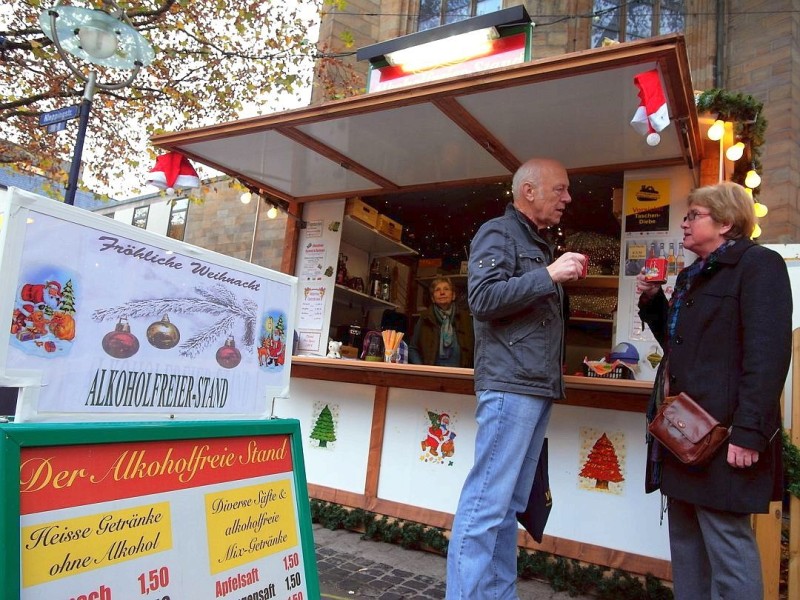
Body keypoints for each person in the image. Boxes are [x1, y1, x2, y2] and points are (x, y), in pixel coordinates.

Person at [636, 181, 791, 600]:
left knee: (727, 547)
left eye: (693, 216)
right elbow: (683, 349)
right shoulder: (692, 275)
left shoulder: (759, 265)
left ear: (724, 222)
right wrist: (654, 303)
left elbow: (768, 355)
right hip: (684, 433)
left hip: (724, 436)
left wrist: (749, 433)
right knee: (686, 544)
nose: (684, 225)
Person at [445, 157, 586, 599]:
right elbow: (482, 298)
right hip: (510, 386)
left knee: (506, 506)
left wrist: (549, 272)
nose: (568, 198)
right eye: (559, 189)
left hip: (531, 386)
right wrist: (549, 275)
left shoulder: (535, 242)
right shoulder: (499, 232)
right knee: (487, 504)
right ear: (529, 191)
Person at [408, 277, 474, 368]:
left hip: (460, 374)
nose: (442, 293)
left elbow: (476, 348)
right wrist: (422, 370)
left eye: (446, 289)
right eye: (437, 290)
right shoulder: (424, 318)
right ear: (432, 298)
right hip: (432, 375)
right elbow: (412, 349)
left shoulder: (465, 318)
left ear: (453, 295)